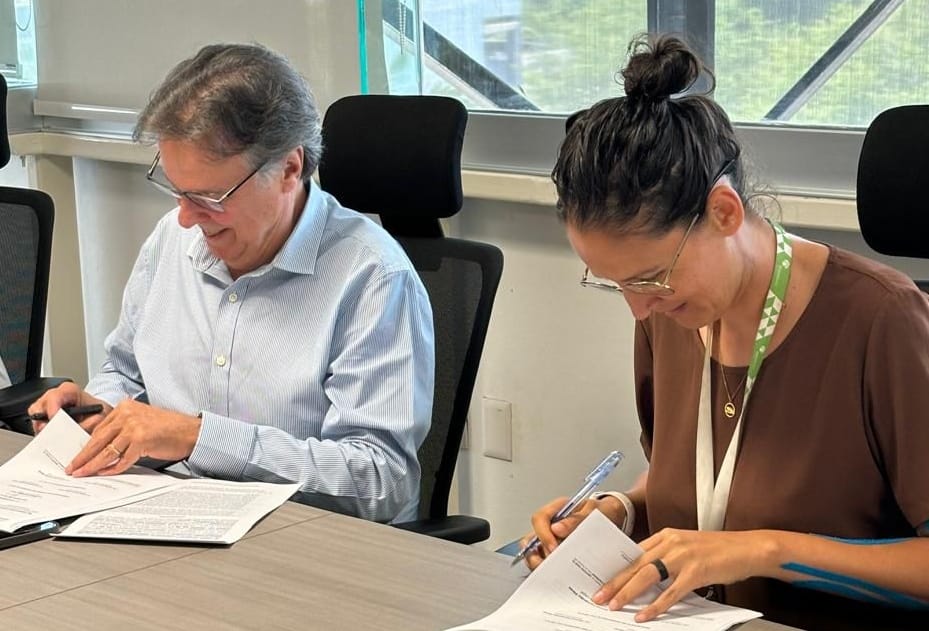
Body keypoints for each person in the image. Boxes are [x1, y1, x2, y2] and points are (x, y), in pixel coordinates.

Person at [522, 34, 929, 629]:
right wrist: (618, 512)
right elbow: (702, 490)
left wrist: (768, 550)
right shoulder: (671, 311)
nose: (639, 310)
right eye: (615, 285)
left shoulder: (882, 321)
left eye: (650, 278)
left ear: (724, 212)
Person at [28, 43, 434, 524]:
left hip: (301, 540)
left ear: (289, 168)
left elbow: (380, 481)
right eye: (176, 191)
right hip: (164, 515)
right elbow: (126, 373)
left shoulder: (372, 278)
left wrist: (199, 438)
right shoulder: (172, 240)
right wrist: (99, 411)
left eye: (209, 197)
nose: (185, 218)